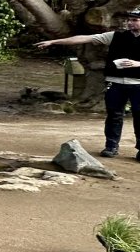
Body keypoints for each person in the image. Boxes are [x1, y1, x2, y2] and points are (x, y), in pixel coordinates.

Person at [37, 10, 140, 158]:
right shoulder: (116, 36)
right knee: (114, 115)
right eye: (129, 20)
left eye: (135, 20)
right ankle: (111, 146)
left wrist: (137, 63)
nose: (130, 23)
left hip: (138, 84)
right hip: (115, 83)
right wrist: (54, 42)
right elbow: (84, 38)